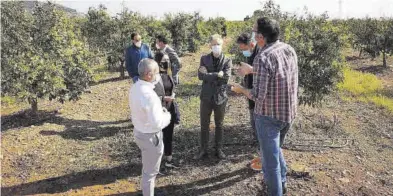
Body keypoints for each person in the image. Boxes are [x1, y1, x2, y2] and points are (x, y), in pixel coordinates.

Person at [231, 17, 298, 196]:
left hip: (268, 118)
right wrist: (252, 70)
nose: (253, 35)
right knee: (276, 150)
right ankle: (283, 182)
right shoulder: (289, 49)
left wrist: (241, 89)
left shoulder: (263, 56)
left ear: (261, 37)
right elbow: (279, 74)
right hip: (288, 114)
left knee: (270, 164)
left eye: (254, 32)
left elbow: (258, 96)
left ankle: (276, 191)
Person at [129, 59, 171, 196]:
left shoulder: (135, 87)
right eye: (157, 72)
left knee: (147, 167)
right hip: (151, 137)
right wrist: (167, 115)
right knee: (150, 174)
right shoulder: (150, 96)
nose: (158, 75)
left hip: (139, 132)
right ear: (148, 74)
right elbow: (157, 123)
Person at [194, 34, 232, 160]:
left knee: (219, 124)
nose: (216, 47)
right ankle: (203, 150)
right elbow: (200, 76)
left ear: (222, 45)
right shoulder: (204, 59)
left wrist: (209, 75)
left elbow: (225, 78)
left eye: (218, 44)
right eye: (214, 44)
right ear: (210, 45)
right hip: (206, 96)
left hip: (220, 97)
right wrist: (217, 74)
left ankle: (218, 149)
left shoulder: (227, 60)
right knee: (204, 124)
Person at [236, 33, 262, 171]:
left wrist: (249, 72)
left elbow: (261, 75)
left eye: (243, 48)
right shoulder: (253, 55)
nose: (242, 51)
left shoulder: (259, 55)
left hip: (257, 98)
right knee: (255, 126)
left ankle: (262, 159)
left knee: (259, 128)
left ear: (250, 44)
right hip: (252, 96)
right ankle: (261, 155)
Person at [153, 51, 180, 169]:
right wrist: (163, 98)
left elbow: (171, 88)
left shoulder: (168, 74)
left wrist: (172, 95)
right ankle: (155, 164)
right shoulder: (153, 78)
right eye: (164, 61)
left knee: (169, 136)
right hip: (158, 110)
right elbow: (150, 96)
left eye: (168, 60)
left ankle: (169, 160)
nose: (166, 63)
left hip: (169, 110)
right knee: (158, 138)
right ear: (157, 62)